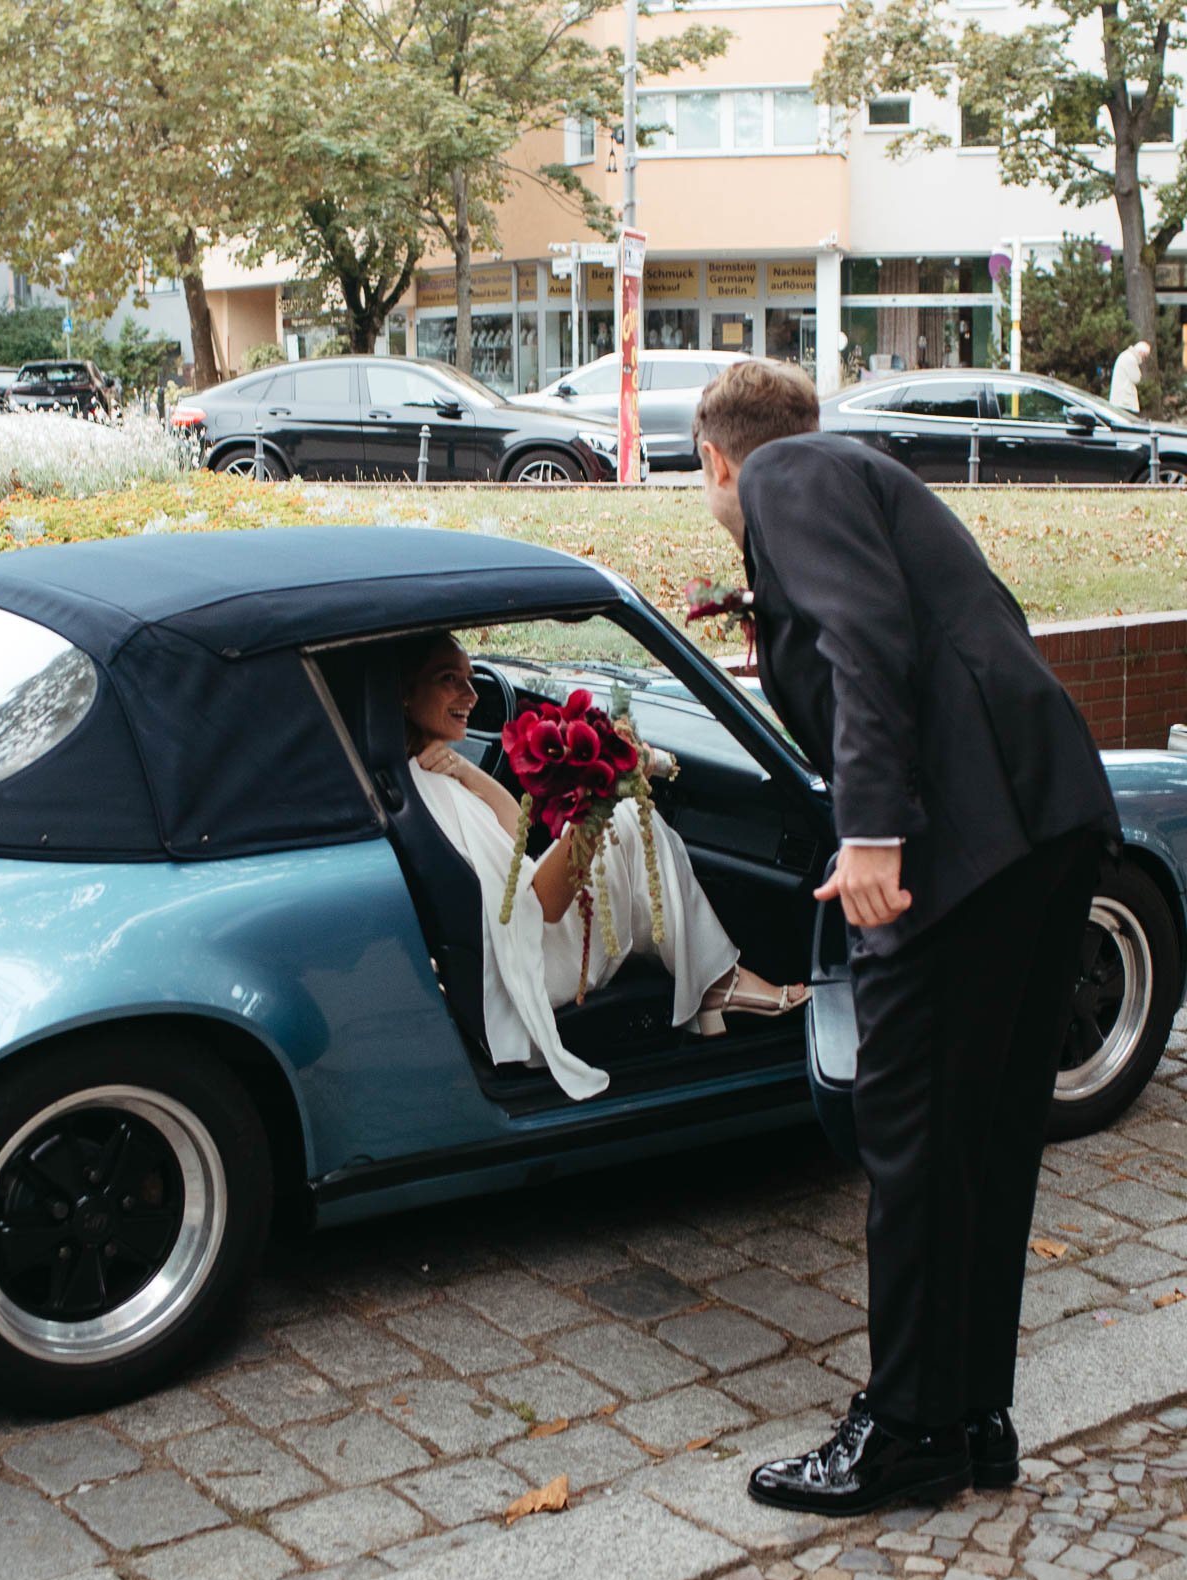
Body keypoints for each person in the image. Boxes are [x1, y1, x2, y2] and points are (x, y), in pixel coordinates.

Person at [694, 359, 1120, 1517]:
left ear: (716, 459)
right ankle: (969, 1415)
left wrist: (871, 833)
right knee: (982, 1141)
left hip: (948, 855)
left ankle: (901, 1436)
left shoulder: (784, 476)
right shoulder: (859, 472)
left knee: (913, 1139)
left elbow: (864, 639)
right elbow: (947, 631)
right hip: (1040, 825)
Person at [400, 633, 807, 1101]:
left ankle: (713, 987)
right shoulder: (431, 791)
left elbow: (515, 841)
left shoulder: (422, 776)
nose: (471, 696)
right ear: (406, 692)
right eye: (448, 680)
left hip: (515, 946)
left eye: (471, 679)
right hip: (534, 965)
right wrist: (598, 801)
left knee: (627, 823)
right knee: (634, 819)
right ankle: (718, 985)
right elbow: (545, 906)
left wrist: (468, 773)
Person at [1110, 340, 1150, 411]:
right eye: (1145, 355)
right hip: (1124, 401)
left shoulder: (1126, 355)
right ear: (1141, 352)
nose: (1144, 358)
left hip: (1120, 399)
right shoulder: (1131, 359)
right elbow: (1136, 379)